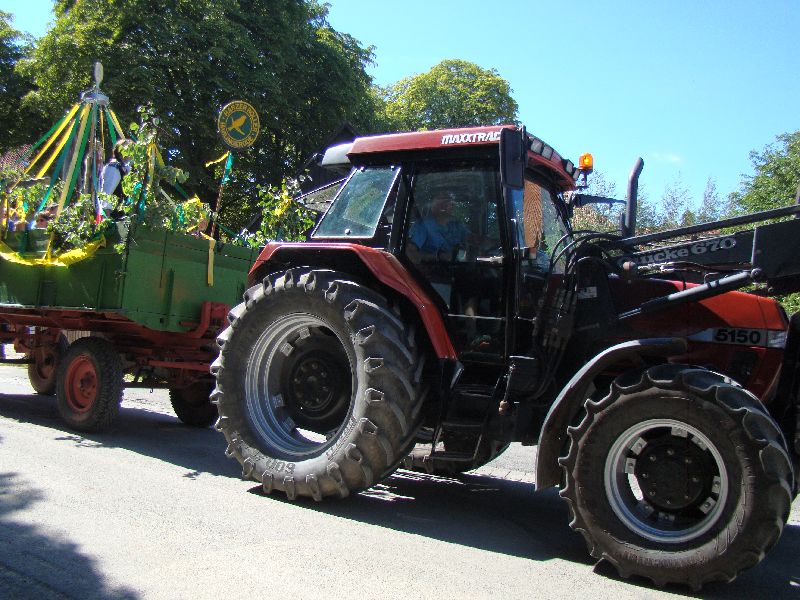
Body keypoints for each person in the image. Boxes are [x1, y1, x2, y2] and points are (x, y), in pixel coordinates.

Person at [406, 191, 469, 262]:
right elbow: (410, 253)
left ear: (452, 206)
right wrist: (436, 257)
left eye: (447, 201)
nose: (443, 206)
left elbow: (472, 240)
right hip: (429, 267)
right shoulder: (422, 225)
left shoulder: (457, 225)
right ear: (432, 205)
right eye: (440, 201)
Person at [98, 139, 131, 217]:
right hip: (115, 217)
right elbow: (105, 198)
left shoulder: (125, 168)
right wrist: (107, 220)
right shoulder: (114, 168)